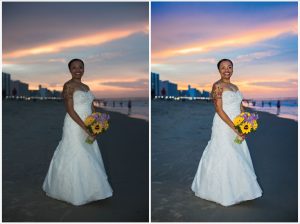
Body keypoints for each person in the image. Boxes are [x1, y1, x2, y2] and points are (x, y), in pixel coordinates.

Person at [191, 59, 262, 206]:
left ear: (233, 69)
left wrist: (245, 124)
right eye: (223, 67)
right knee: (226, 152)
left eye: (229, 67)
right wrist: (235, 128)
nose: (226, 70)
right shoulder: (217, 86)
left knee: (238, 153)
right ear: (219, 70)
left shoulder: (235, 87)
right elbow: (219, 110)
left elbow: (240, 107)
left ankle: (240, 190)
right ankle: (221, 191)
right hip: (223, 125)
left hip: (237, 124)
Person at [42, 58, 113, 206]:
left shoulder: (86, 86)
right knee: (77, 152)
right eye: (74, 67)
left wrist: (97, 123)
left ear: (84, 69)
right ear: (70, 70)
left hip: (89, 124)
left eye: (80, 67)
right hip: (74, 124)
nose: (78, 70)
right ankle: (73, 192)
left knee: (89, 152)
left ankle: (91, 190)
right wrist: (85, 127)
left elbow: (92, 107)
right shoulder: (68, 86)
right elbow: (70, 110)